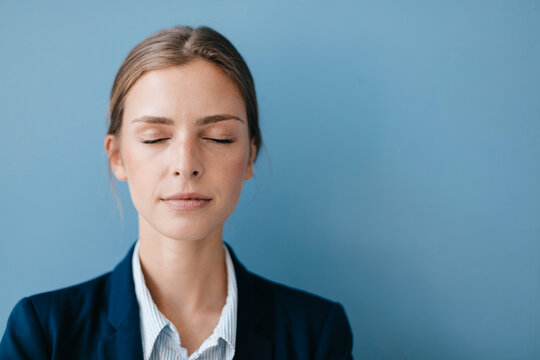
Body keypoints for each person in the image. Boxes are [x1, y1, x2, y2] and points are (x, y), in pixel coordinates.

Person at [0, 25, 353, 359]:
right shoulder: (43, 335)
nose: (186, 164)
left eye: (219, 137)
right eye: (155, 138)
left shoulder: (316, 334)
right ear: (118, 156)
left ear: (250, 155)